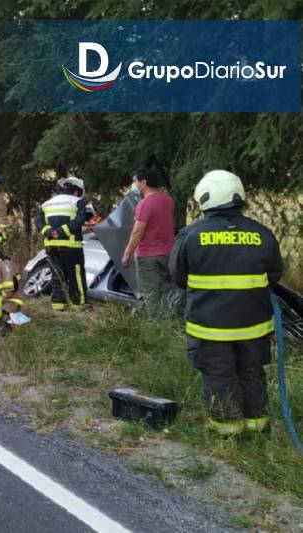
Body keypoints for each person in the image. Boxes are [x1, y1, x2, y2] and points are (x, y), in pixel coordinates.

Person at [170, 170, 282, 436]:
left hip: (210, 329)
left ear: (207, 198)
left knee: (219, 376)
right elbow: (274, 275)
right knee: (252, 373)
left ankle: (226, 433)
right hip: (254, 328)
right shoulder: (262, 234)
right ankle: (258, 429)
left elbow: (178, 277)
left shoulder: (190, 236)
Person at [121, 167, 179, 315]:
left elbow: (137, 232)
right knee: (167, 291)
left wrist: (127, 254)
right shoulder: (168, 199)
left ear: (144, 182)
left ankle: (155, 327)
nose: (133, 185)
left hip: (148, 256)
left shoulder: (144, 204)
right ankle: (171, 321)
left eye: (135, 181)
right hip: (168, 254)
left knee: (151, 295)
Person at [34, 176, 88, 311]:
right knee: (75, 276)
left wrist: (50, 232)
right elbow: (79, 220)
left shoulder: (47, 203)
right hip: (71, 247)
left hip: (51, 246)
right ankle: (79, 305)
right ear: (76, 192)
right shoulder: (78, 202)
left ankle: (58, 305)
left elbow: (38, 222)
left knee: (57, 276)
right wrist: (61, 231)